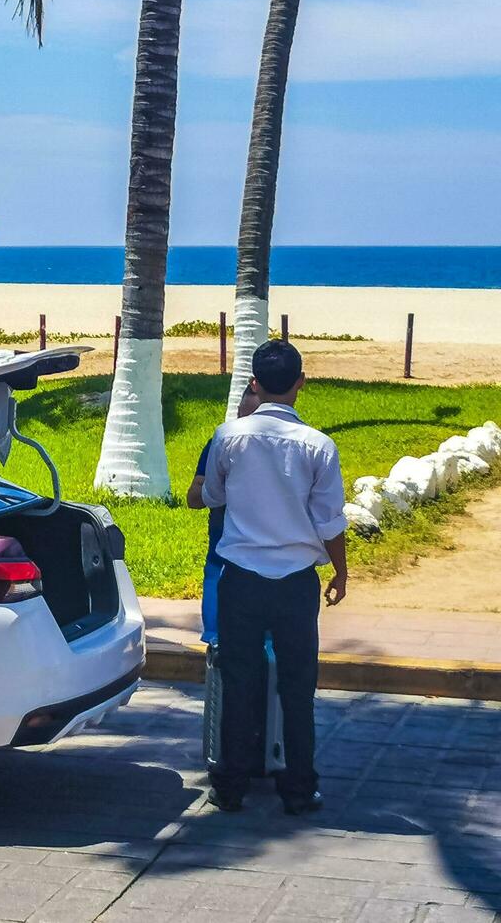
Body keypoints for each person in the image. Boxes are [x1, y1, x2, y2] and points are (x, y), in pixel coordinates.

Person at [202, 340, 348, 815]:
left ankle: (230, 785)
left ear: (254, 384)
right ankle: (299, 788)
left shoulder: (229, 437)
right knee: (298, 685)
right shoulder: (319, 446)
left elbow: (213, 496)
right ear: (301, 384)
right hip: (295, 582)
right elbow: (329, 522)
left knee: (239, 681)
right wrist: (342, 573)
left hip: (240, 577)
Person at [187, 384, 261, 645]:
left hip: (266, 562)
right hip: (223, 551)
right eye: (246, 417)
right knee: (218, 645)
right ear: (238, 411)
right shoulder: (220, 443)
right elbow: (193, 498)